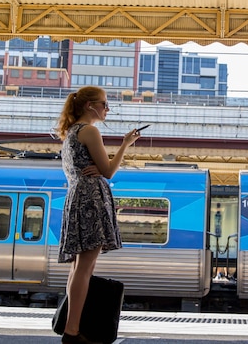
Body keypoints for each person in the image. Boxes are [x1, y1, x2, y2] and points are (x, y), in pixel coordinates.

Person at [55, 86, 142, 344]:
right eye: (104, 104)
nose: (107, 109)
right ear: (90, 106)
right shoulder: (90, 131)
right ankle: (72, 331)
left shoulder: (71, 133)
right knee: (84, 268)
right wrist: (125, 145)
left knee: (78, 268)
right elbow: (108, 170)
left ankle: (72, 326)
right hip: (91, 200)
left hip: (78, 198)